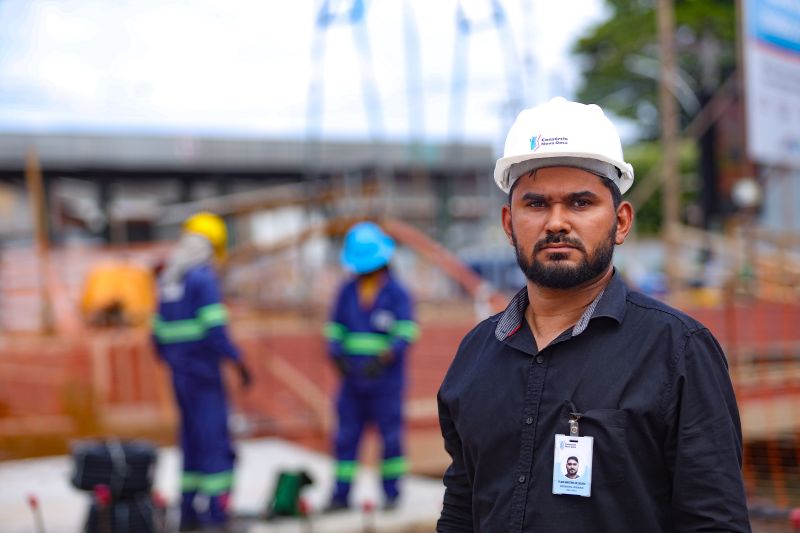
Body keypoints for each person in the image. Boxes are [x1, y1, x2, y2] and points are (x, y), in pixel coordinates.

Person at [436, 97, 750, 532]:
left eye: (581, 203)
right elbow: (461, 510)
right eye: (536, 204)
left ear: (620, 222)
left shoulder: (677, 351)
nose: (557, 222)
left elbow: (714, 522)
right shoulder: (475, 355)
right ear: (509, 223)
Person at [152, 212, 252, 531]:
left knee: (192, 440)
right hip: (205, 375)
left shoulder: (169, 279)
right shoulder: (202, 278)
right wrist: (238, 362)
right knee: (214, 442)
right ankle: (215, 514)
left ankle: (187, 511)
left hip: (180, 375)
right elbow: (216, 329)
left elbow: (156, 336)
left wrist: (176, 361)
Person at [324, 221, 420, 511]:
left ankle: (391, 494)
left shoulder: (398, 293)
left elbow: (406, 332)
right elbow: (334, 328)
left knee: (390, 438)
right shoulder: (346, 291)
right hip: (352, 381)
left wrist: (384, 359)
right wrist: (336, 354)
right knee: (345, 438)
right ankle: (341, 495)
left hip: (385, 382)